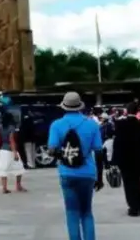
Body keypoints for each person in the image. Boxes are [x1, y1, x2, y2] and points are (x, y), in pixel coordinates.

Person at [47, 92, 103, 240]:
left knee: (72, 212)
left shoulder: (56, 125)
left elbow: (51, 150)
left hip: (67, 172)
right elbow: (98, 151)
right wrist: (100, 178)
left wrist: (65, 156)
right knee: (86, 212)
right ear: (80, 106)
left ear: (64, 106)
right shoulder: (92, 124)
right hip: (88, 173)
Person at [111, 102, 140, 217]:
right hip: (139, 159)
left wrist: (114, 160)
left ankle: (133, 207)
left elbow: (117, 143)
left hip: (125, 159)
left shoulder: (120, 124)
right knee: (139, 181)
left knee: (128, 183)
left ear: (126, 111)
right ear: (137, 111)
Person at [0, 111, 25, 194]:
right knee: (19, 167)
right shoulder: (11, 128)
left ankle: (4, 188)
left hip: (2, 150)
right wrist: (15, 153)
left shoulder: (0, 127)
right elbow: (12, 140)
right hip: (10, 150)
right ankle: (18, 185)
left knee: (3, 169)